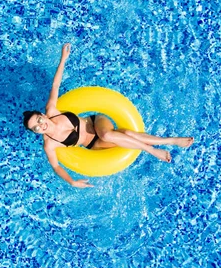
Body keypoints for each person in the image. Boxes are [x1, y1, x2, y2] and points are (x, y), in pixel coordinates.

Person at [23, 43, 194, 188]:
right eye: (36, 128)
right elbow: (55, 166)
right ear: (36, 132)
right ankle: (170, 140)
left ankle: (152, 150)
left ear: (42, 115)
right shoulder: (49, 144)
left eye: (39, 120)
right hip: (94, 143)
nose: (41, 125)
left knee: (107, 133)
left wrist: (63, 59)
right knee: (126, 135)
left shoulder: (52, 110)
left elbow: (55, 84)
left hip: (96, 122)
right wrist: (72, 182)